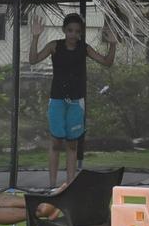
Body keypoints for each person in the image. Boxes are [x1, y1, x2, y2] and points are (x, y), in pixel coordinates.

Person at [28, 12, 118, 187]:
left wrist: (113, 44)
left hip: (77, 102)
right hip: (57, 100)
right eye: (70, 30)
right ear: (64, 30)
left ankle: (70, 184)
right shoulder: (54, 46)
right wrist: (35, 36)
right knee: (55, 143)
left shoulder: (84, 48)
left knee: (71, 145)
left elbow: (107, 62)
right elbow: (33, 59)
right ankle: (52, 185)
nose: (73, 35)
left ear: (81, 32)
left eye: (77, 31)